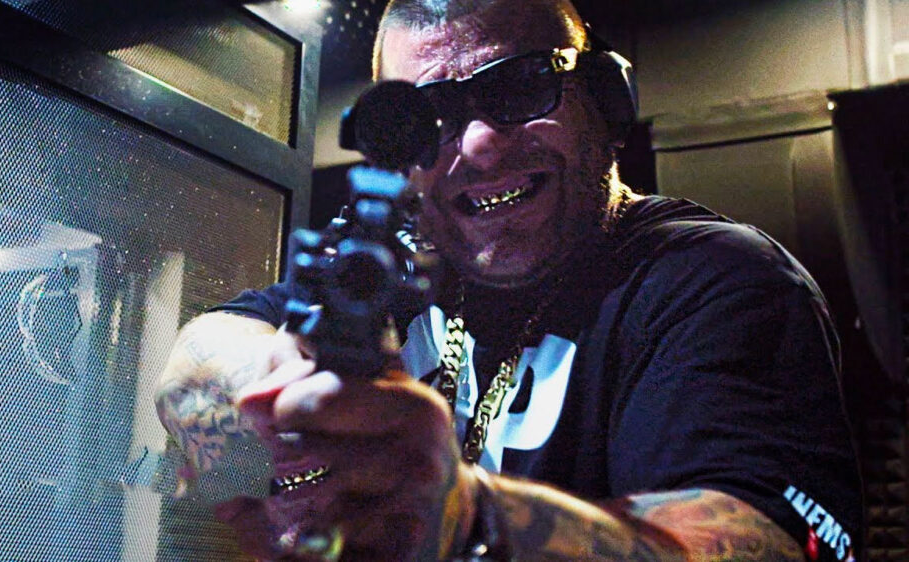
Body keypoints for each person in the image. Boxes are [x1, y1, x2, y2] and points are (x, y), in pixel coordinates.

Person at [155, 0, 862, 559]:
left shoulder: (717, 280)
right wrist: (276, 385)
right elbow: (194, 356)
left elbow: (759, 540)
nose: (481, 144)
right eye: (432, 115)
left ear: (603, 100)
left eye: (522, 87)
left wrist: (469, 518)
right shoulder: (390, 276)